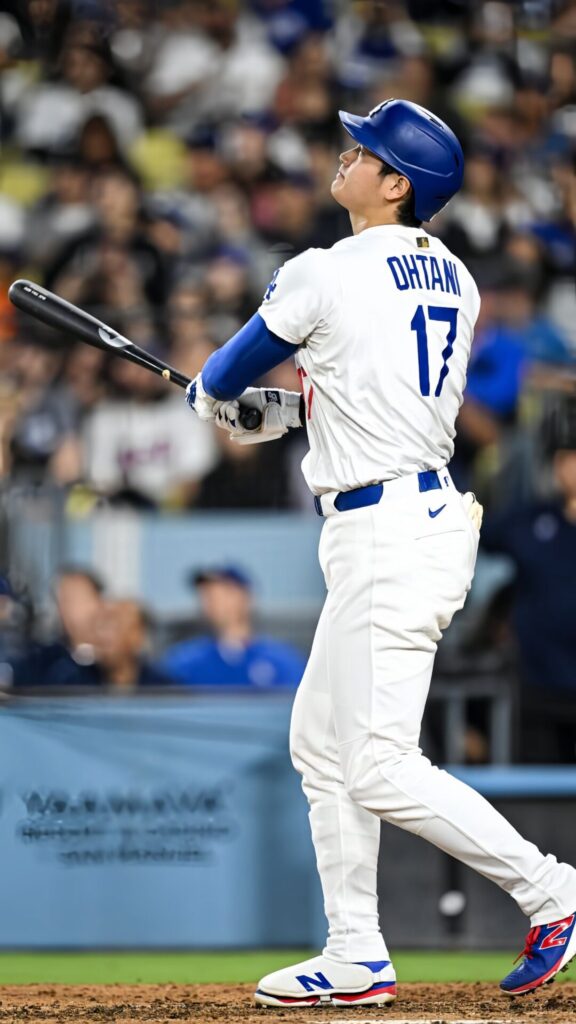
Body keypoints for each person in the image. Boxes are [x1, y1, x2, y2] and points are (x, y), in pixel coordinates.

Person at [185, 99, 576, 1004]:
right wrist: (287, 412)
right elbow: (374, 398)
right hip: (410, 513)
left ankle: (552, 890)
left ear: (398, 184)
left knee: (377, 764)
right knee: (321, 745)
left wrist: (217, 401)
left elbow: (221, 375)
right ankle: (356, 951)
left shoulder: (323, 269)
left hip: (387, 530)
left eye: (364, 150)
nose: (347, 154)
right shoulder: (456, 278)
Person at [481, 395, 576, 763]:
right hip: (539, 688)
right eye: (566, 457)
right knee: (538, 785)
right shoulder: (530, 522)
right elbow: (480, 532)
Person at [161, 565, 306, 688]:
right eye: (207, 595)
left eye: (225, 592)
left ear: (246, 598)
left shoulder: (282, 661)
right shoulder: (183, 663)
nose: (214, 601)